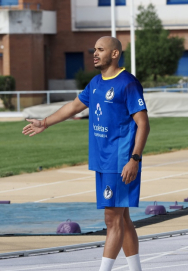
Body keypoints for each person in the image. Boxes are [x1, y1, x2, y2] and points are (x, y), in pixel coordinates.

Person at [22, 36, 150, 271]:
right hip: (102, 161)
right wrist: (45, 122)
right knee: (122, 218)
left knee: (112, 219)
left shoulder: (127, 83)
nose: (94, 53)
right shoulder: (96, 83)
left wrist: (134, 159)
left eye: (100, 49)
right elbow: (73, 106)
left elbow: (143, 124)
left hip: (120, 160)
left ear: (114, 54)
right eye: (94, 49)